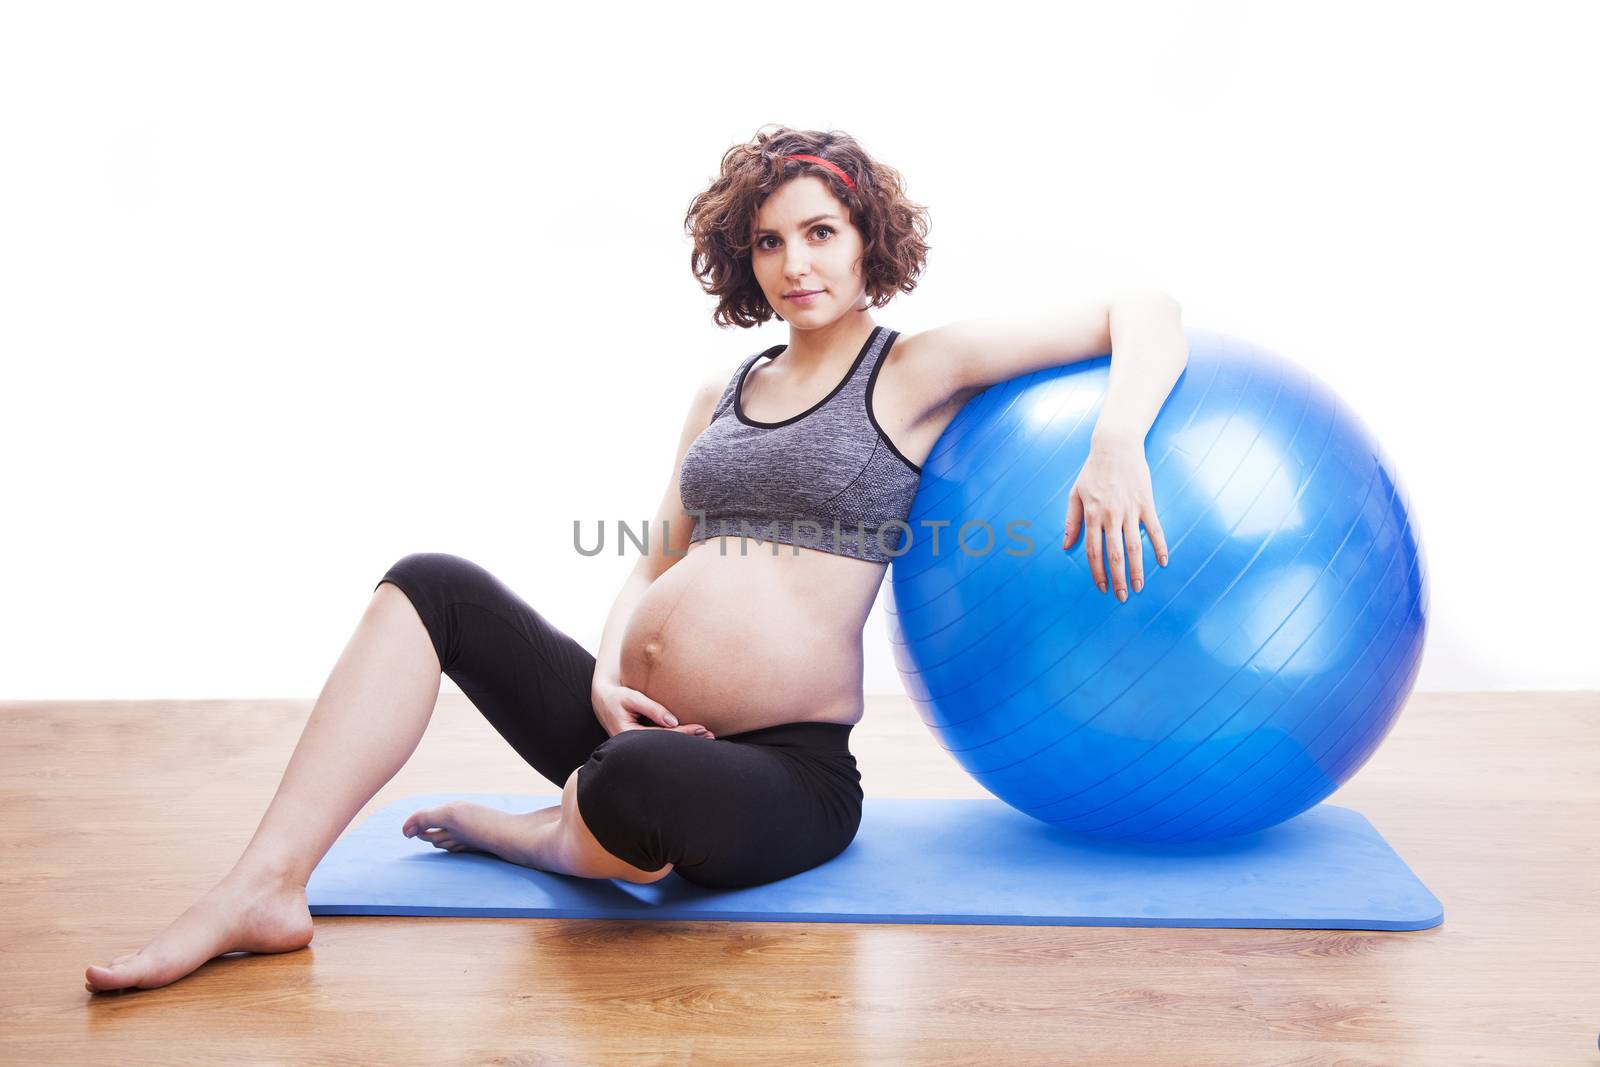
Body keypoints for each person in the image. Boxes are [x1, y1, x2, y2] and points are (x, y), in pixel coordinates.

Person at [84, 125, 1189, 993]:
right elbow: (651, 562)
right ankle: (261, 886)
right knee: (429, 582)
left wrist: (1114, 439)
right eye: (768, 241)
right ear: (739, 257)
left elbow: (1143, 308)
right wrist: (610, 672)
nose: (794, 263)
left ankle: (546, 833)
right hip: (629, 725)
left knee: (642, 789)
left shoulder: (914, 368)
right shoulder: (723, 392)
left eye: (818, 232)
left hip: (781, 773)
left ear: (867, 241)